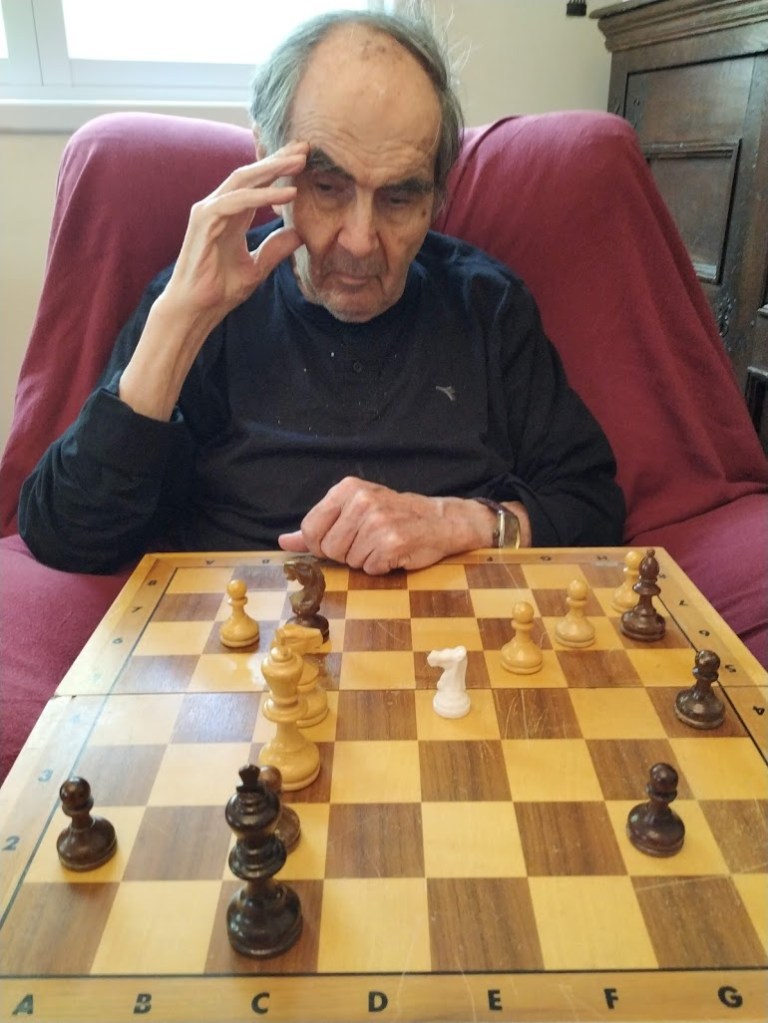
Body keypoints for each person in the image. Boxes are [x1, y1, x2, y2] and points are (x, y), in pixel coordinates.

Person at [18, 6, 625, 577]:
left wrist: (461, 521)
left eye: (399, 197)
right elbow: (65, 534)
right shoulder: (199, 301)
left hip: (452, 638)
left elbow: (592, 503)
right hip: (245, 637)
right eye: (327, 187)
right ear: (267, 162)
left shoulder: (488, 306)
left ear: (438, 193)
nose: (359, 242)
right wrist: (178, 325)